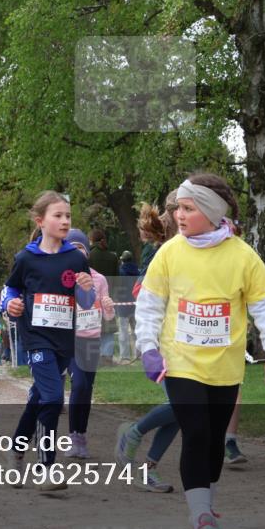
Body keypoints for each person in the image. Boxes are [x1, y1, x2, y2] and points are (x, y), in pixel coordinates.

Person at [135, 173, 265, 529]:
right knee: (197, 432)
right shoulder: (169, 253)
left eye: (188, 209)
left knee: (215, 443)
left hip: (225, 367)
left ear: (211, 211)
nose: (179, 216)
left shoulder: (242, 256)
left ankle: (207, 505)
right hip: (181, 362)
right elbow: (150, 306)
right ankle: (201, 518)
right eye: (178, 209)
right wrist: (149, 349)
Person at [2, 191, 95, 491]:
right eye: (58, 216)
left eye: (68, 216)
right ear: (40, 221)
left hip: (63, 339)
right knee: (54, 398)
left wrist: (86, 288)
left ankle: (16, 450)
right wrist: (10, 305)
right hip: (36, 337)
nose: (65, 221)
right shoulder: (26, 258)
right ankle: (46, 469)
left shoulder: (76, 258)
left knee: (39, 397)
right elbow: (11, 290)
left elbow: (87, 299)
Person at [114, 197, 180, 494]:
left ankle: (147, 466)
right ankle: (134, 433)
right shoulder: (159, 252)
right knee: (183, 405)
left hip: (190, 339)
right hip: (165, 339)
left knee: (184, 409)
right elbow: (142, 292)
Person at [62, 229, 115, 459]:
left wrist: (109, 307)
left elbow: (108, 317)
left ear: (87, 252)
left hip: (92, 340)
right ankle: (74, 437)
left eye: (81, 249)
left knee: (87, 390)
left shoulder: (99, 279)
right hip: (71, 341)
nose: (77, 253)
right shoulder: (63, 278)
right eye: (72, 249)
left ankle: (81, 437)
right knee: (79, 385)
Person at [87, 229, 119, 365]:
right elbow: (117, 279)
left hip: (92, 297)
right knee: (108, 328)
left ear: (91, 240)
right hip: (109, 296)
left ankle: (94, 356)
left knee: (91, 327)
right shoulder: (112, 257)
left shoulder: (89, 256)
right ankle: (107, 357)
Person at [115, 250, 139, 363]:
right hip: (135, 304)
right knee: (136, 330)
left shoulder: (120, 272)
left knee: (123, 331)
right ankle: (138, 354)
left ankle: (125, 356)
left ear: (122, 261)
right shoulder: (138, 271)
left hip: (123, 305)